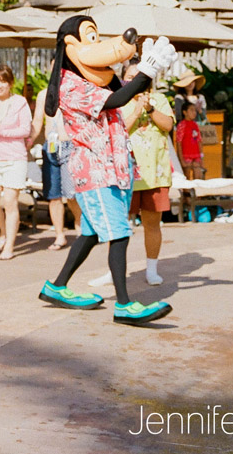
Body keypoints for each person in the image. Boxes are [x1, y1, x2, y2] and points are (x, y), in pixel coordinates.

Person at [38, 16, 176, 326]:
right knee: (119, 232)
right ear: (70, 45)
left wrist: (147, 71)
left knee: (90, 233)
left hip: (110, 167)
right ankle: (124, 305)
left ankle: (56, 287)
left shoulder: (88, 79)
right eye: (88, 38)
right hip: (95, 171)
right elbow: (119, 98)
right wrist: (147, 70)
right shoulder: (70, 84)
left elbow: (122, 88)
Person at [122, 58, 174, 286]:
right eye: (130, 77)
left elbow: (168, 125)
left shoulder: (160, 99)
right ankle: (115, 269)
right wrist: (135, 110)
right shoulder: (119, 100)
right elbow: (120, 129)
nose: (134, 81)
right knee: (119, 224)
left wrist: (150, 108)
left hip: (155, 173)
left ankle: (151, 268)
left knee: (152, 223)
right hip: (126, 172)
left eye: (139, 77)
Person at [0, 65, 32, 260]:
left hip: (15, 158)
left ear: (10, 83)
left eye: (3, 81)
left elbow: (26, 130)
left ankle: (9, 245)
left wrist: (4, 132)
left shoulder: (19, 103)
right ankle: (3, 230)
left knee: (10, 202)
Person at [29, 84, 81, 250]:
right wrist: (28, 141)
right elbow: (37, 122)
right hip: (50, 147)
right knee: (53, 194)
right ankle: (59, 235)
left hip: (69, 145)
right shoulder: (44, 94)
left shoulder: (73, 92)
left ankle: (80, 227)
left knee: (72, 193)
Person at [175, 101, 203, 179]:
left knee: (198, 176)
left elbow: (199, 141)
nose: (194, 112)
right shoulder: (182, 125)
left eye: (195, 110)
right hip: (186, 156)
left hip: (196, 155)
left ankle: (196, 191)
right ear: (185, 112)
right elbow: (178, 142)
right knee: (187, 178)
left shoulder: (195, 125)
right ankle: (187, 191)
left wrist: (201, 157)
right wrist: (181, 160)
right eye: (191, 110)